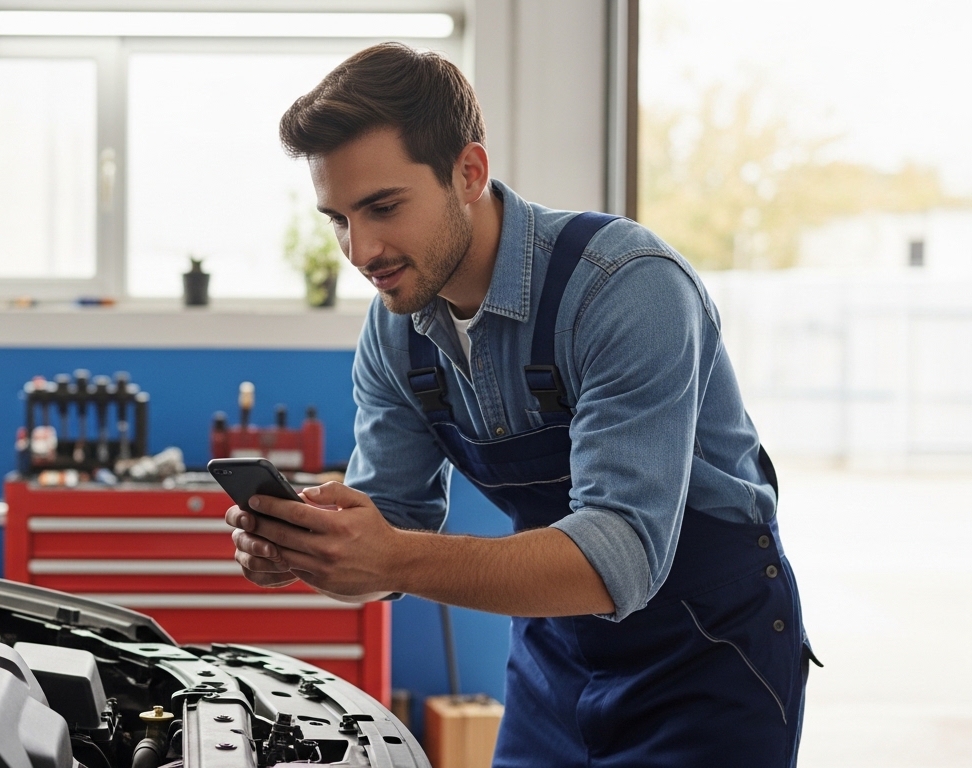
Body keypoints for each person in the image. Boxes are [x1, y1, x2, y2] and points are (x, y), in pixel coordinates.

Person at [223, 43, 816, 767]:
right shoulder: (396, 329)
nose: (361, 249)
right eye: (338, 219)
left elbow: (621, 556)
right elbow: (393, 520)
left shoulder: (626, 286)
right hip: (555, 655)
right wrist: (313, 549)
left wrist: (393, 557)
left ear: (469, 173)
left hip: (708, 656)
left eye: (383, 207)